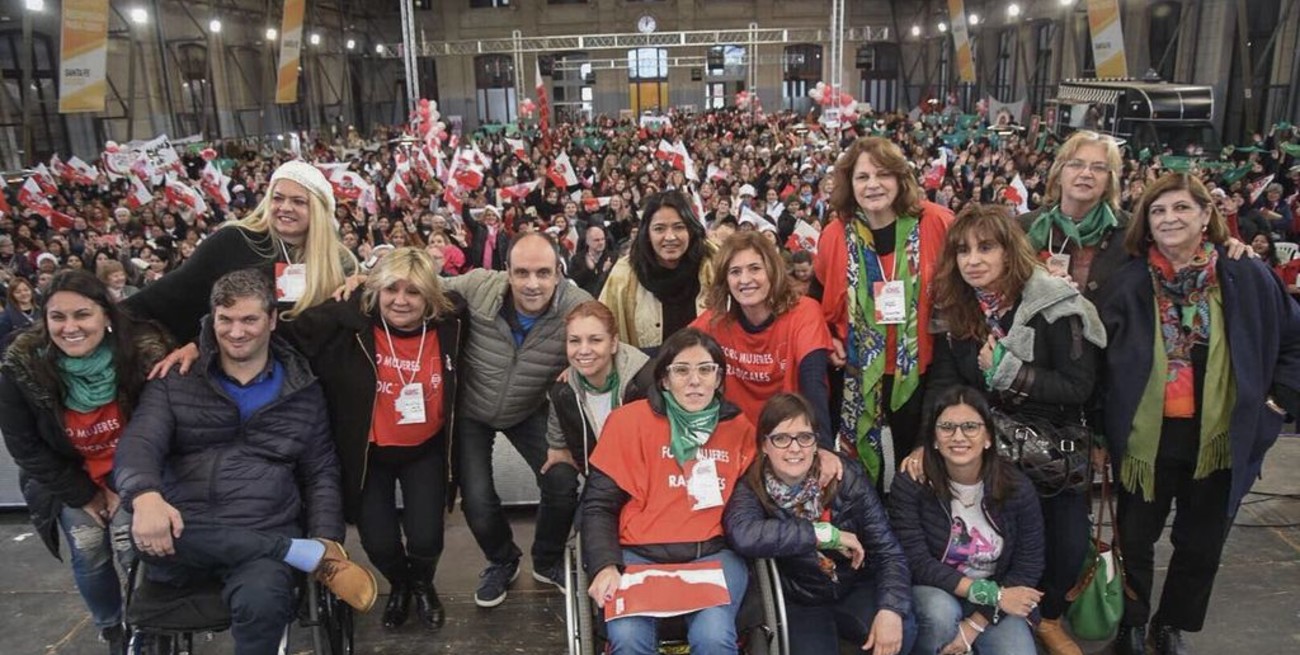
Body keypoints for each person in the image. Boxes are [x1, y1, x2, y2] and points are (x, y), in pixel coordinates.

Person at [113, 269, 378, 654]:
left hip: (261, 520)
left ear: (271, 320)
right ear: (212, 319)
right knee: (150, 532)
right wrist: (145, 494)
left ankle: (297, 550)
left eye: (249, 319)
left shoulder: (302, 390)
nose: (236, 332)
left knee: (264, 601)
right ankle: (290, 550)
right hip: (183, 529)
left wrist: (326, 537)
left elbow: (320, 470)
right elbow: (140, 441)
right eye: (226, 320)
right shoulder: (177, 378)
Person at [1098, 173, 1300, 655]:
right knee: (1136, 539)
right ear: (1145, 222)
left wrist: (1278, 405)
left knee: (1201, 542)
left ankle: (1171, 625)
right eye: (1158, 210)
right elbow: (1097, 359)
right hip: (1146, 441)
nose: (1170, 219)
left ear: (1206, 215)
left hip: (1222, 438)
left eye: (1181, 208)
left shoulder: (1247, 276)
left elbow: (1293, 342)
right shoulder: (1125, 283)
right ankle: (1131, 622)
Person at [911, 203, 1106, 655]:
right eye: (962, 250)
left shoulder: (1055, 303)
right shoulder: (958, 308)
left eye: (986, 247)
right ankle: (1001, 615)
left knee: (1065, 548)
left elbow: (1080, 385)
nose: (973, 259)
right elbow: (944, 383)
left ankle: (1048, 617)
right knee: (998, 546)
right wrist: (927, 442)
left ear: (1009, 250)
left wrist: (1011, 373)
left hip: (1048, 454)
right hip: (988, 453)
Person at [279, 247, 467, 631]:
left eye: (413, 292)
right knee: (379, 543)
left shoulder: (451, 323)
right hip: (369, 455)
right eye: (391, 289)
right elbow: (287, 329)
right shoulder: (351, 326)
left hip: (425, 450)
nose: (401, 300)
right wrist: (352, 293)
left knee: (427, 538)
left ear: (430, 297)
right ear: (376, 290)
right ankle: (400, 585)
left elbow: (460, 299)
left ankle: (422, 584)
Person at [0, 271, 171, 653]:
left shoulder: (142, 355)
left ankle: (146, 625)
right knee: (90, 547)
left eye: (82, 315)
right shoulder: (21, 368)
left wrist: (123, 488)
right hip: (71, 478)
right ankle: (111, 627)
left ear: (106, 316)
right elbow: (25, 446)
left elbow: (163, 428)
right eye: (57, 317)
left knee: (135, 546)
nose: (70, 327)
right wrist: (85, 496)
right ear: (44, 320)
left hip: (135, 473)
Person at [438, 232, 592, 607]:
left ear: (559, 273)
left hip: (528, 407)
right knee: (475, 498)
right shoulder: (478, 285)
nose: (532, 284)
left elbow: (608, 347)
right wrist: (367, 279)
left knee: (561, 477)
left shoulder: (578, 307)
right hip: (473, 409)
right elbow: (421, 284)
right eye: (521, 272)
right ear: (505, 271)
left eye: (542, 272)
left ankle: (548, 558)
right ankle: (502, 560)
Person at [581, 328, 757, 655]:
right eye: (682, 370)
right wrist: (605, 564)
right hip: (636, 557)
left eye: (706, 369)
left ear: (719, 379)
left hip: (712, 556)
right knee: (628, 639)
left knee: (714, 638)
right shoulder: (627, 423)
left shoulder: (739, 429)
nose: (695, 380)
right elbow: (598, 506)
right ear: (663, 379)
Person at [724, 393, 916, 655]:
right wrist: (823, 534)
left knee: (900, 629)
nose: (794, 448)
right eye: (781, 438)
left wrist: (891, 609)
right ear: (764, 446)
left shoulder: (846, 478)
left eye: (804, 437)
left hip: (853, 586)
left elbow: (888, 551)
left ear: (816, 443)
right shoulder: (752, 486)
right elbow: (743, 534)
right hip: (799, 598)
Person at [813, 136, 955, 484]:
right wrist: (828, 338)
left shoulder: (936, 222)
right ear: (850, 184)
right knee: (861, 467)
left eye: (883, 175)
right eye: (862, 177)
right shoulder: (834, 235)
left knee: (919, 465)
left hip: (919, 371)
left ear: (899, 179)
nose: (873, 185)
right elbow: (816, 298)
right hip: (857, 371)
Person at [124, 160, 357, 345]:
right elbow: (172, 294)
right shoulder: (234, 240)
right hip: (237, 374)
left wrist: (363, 283)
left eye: (298, 201)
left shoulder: (339, 260)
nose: (285, 207)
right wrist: (109, 315)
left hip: (309, 382)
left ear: (317, 209)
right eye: (278, 198)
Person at [888, 386, 1045, 655]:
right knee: (939, 614)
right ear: (934, 439)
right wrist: (989, 594)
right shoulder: (912, 483)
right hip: (937, 590)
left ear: (988, 438)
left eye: (970, 427)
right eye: (947, 427)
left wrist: (974, 625)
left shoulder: (1017, 488)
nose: (958, 436)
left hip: (996, 600)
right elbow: (916, 562)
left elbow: (1028, 564)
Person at [691, 232, 836, 448]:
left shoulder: (804, 311)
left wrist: (823, 449)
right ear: (725, 280)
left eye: (755, 269)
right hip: (735, 439)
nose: (745, 280)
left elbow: (813, 382)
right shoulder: (716, 319)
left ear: (772, 272)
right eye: (735, 272)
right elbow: (674, 355)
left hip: (789, 440)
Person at [600, 190, 715, 357]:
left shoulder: (713, 264)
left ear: (691, 229)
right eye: (659, 229)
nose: (670, 237)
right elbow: (602, 327)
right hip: (646, 376)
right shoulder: (624, 274)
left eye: (679, 227)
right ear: (647, 233)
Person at [544, 300, 651, 476]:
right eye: (574, 341)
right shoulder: (564, 390)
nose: (584, 350)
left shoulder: (645, 382)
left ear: (614, 343)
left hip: (643, 479)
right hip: (599, 480)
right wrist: (557, 446)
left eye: (595, 340)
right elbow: (557, 442)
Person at [568, 224, 617, 297]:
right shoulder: (577, 259)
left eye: (603, 239)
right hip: (585, 299)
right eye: (596, 240)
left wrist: (605, 272)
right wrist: (588, 270)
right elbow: (574, 283)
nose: (601, 243)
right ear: (588, 241)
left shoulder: (613, 257)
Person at [0, 276, 38, 350]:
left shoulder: (41, 310)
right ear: (12, 295)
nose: (23, 294)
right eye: (18, 292)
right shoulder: (6, 317)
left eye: (26, 290)